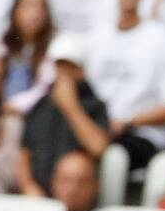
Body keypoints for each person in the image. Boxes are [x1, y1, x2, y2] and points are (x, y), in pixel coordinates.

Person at [87, 0, 165, 174]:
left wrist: (127, 121)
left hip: (141, 133)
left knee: (111, 155)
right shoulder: (98, 36)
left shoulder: (160, 38)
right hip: (97, 127)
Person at [18, 36, 112, 194]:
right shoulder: (40, 105)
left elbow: (98, 147)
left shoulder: (95, 105)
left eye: (70, 67)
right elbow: (24, 154)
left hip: (76, 197)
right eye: (59, 65)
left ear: (81, 70)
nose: (63, 72)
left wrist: (70, 106)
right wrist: (28, 187)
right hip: (38, 196)